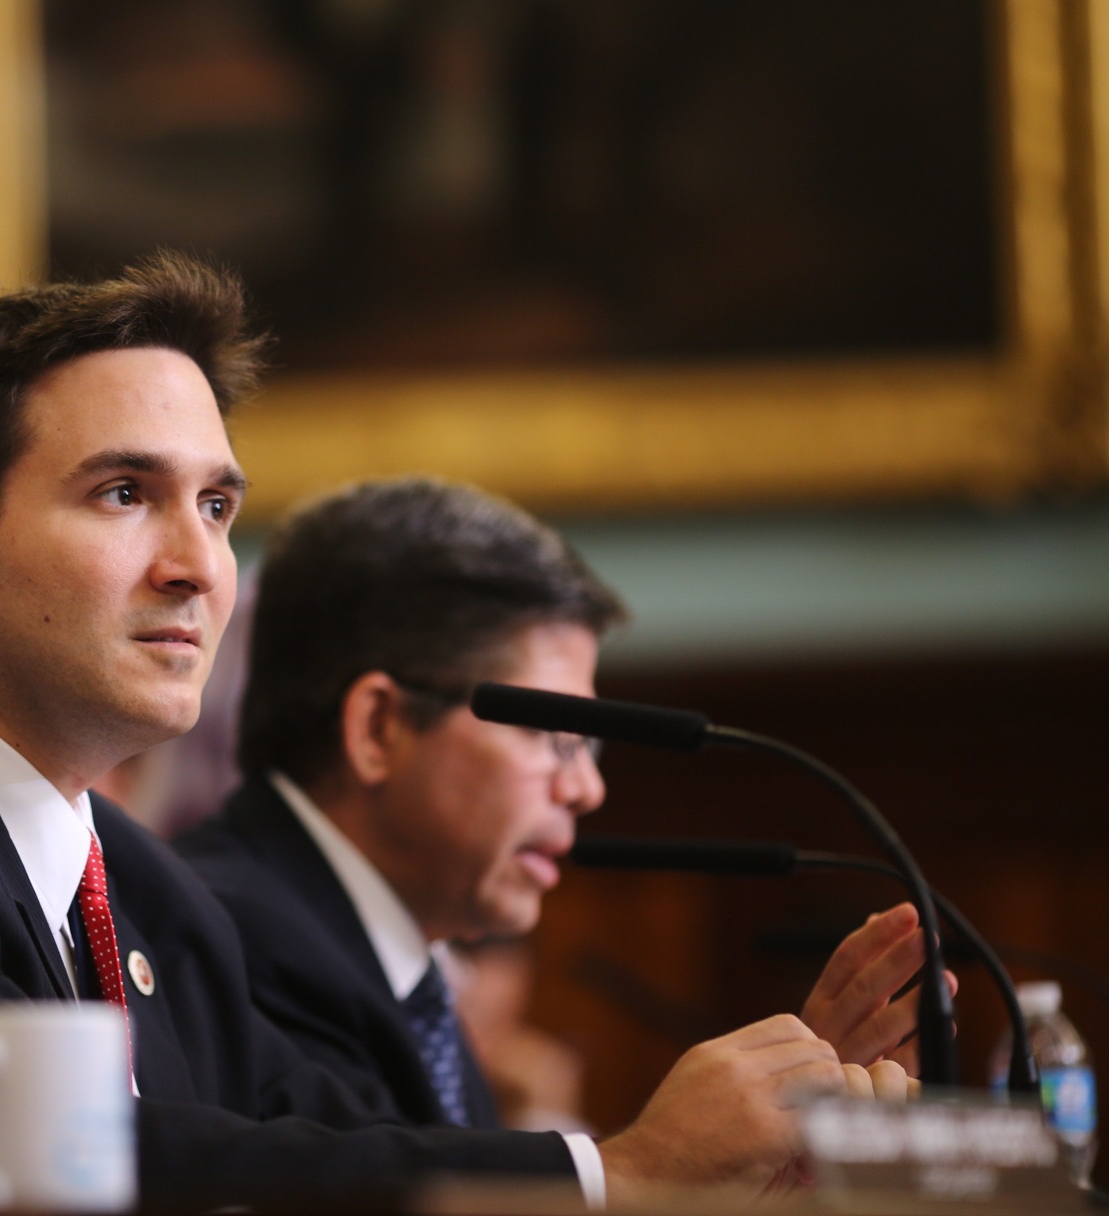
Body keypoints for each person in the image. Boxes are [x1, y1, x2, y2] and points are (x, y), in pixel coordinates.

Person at [0, 255, 897, 1209]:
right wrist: (616, 1175)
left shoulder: (135, 876)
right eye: (122, 495)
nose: (199, 569)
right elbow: (54, 1168)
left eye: (217, 509)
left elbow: (334, 1152)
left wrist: (719, 1170)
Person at [176, 478, 934, 1140]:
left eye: (589, 747)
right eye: (551, 737)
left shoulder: (396, 965)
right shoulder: (237, 944)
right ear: (380, 728)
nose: (586, 790)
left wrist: (774, 1139)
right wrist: (670, 1166)